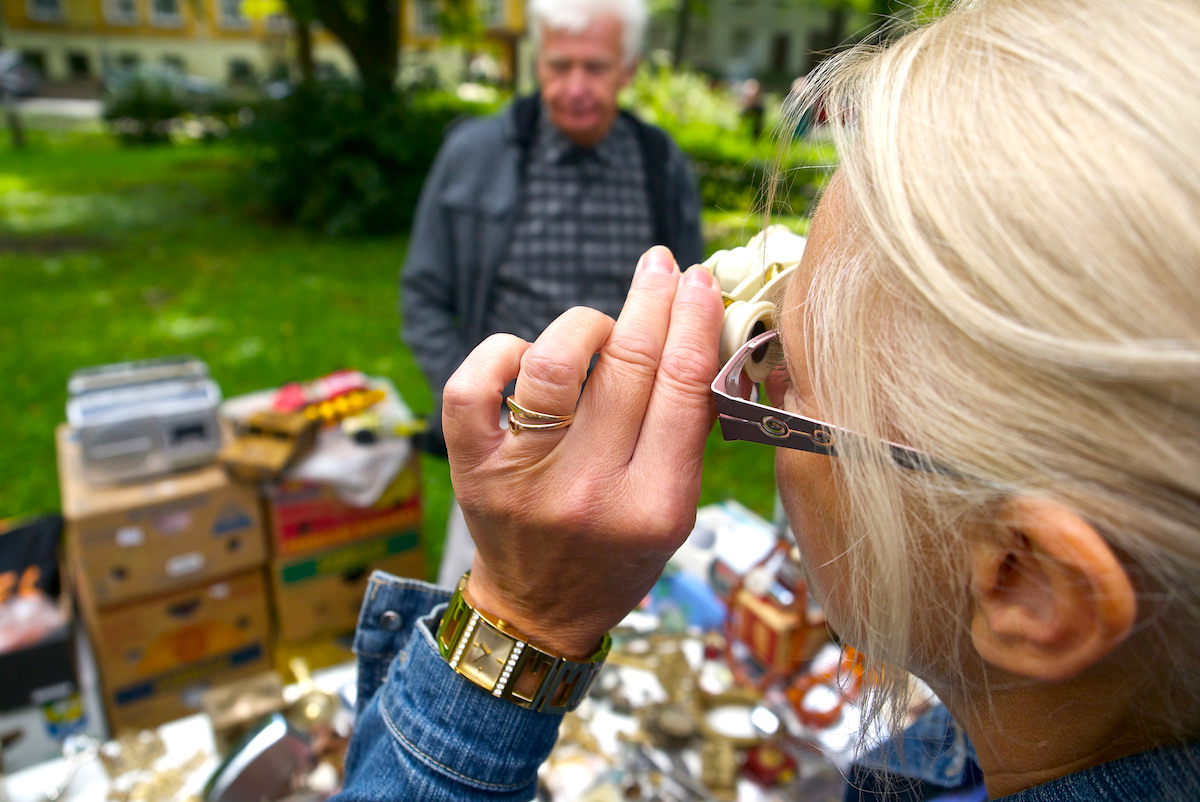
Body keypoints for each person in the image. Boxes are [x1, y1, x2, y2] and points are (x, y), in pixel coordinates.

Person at [336, 0, 1200, 799]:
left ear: (1025, 583)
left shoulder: (652, 157)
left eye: (792, 375)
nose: (749, 384)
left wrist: (518, 622)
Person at [400, 0, 705, 587]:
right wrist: (471, 402)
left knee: (619, 619)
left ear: (627, 69)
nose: (575, 87)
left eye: (594, 67)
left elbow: (689, 297)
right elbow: (424, 293)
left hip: (626, 451)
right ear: (538, 64)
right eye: (559, 66)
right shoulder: (475, 154)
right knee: (487, 607)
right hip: (507, 446)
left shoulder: (659, 161)